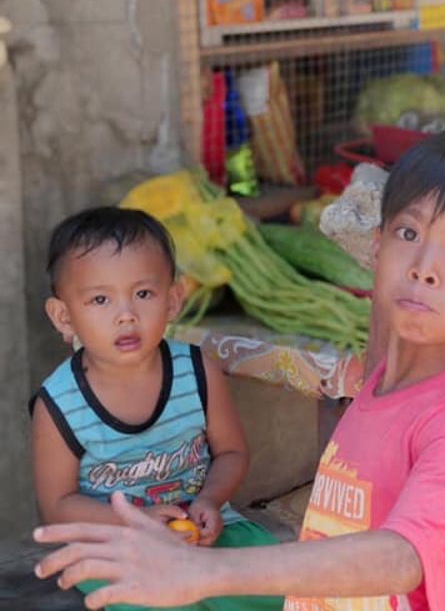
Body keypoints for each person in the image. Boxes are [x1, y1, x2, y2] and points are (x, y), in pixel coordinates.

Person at [34, 129, 445, 611]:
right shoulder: (384, 385)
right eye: (409, 232)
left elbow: (405, 556)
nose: (424, 266)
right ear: (377, 248)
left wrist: (206, 571)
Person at [31, 206, 281, 611]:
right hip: (114, 542)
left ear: (173, 299)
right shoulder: (60, 404)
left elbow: (232, 452)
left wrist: (209, 500)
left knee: (280, 587)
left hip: (202, 530)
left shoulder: (197, 372)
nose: (126, 315)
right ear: (64, 316)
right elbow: (58, 505)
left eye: (143, 294)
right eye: (100, 299)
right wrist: (140, 521)